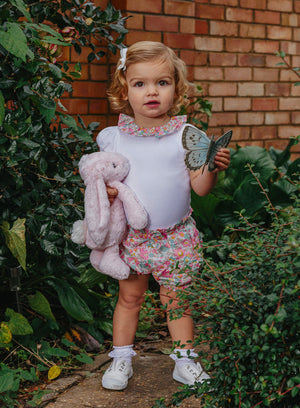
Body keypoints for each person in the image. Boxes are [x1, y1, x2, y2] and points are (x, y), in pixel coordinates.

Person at [96, 41, 231, 391]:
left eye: (162, 82)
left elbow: (201, 189)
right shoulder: (113, 139)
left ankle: (184, 361)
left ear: (176, 87)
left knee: (177, 301)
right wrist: (107, 193)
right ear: (124, 90)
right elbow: (103, 184)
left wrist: (211, 167)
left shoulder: (187, 137)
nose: (151, 91)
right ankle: (122, 357)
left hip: (176, 235)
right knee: (130, 298)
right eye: (140, 84)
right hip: (134, 237)